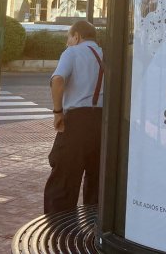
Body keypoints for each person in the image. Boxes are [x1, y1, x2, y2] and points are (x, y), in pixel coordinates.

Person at [44, 20, 104, 214]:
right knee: (96, 178)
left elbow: (58, 79)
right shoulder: (106, 55)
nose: (67, 42)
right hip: (103, 121)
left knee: (64, 179)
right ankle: (92, 227)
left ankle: (56, 229)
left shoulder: (72, 52)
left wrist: (57, 112)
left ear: (76, 36)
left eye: (68, 38)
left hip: (77, 120)